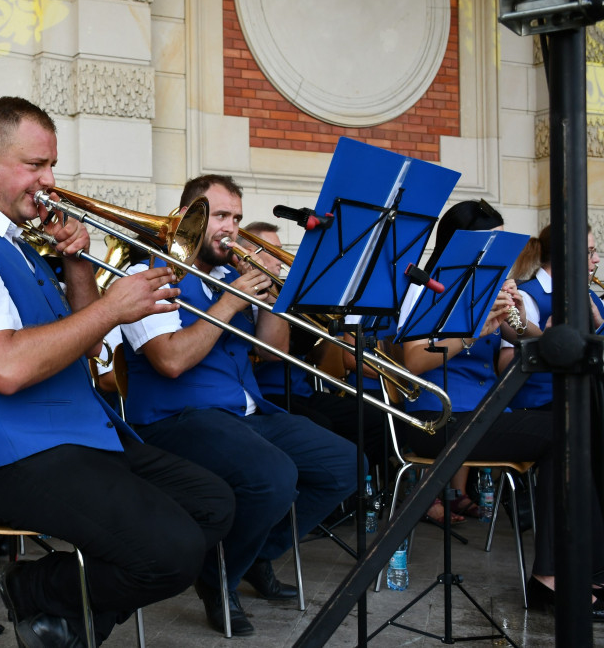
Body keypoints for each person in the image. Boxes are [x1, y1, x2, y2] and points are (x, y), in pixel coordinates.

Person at [0, 96, 235, 647]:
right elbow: (3, 367)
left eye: (51, 166)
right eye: (35, 165)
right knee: (171, 552)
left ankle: (65, 618)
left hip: (72, 439)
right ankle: (34, 589)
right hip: (0, 461)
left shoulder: (20, 246)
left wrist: (78, 267)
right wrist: (111, 306)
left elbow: (79, 347)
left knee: (214, 503)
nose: (50, 180)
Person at [119, 174, 359, 636]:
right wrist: (229, 304)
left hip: (247, 414)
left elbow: (270, 350)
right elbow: (170, 360)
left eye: (237, 217)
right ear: (191, 216)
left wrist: (271, 294)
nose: (232, 228)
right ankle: (216, 578)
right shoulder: (146, 275)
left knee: (346, 465)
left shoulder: (233, 276)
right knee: (273, 477)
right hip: (177, 420)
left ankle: (250, 557)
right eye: (221, 216)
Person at [397, 199, 604, 618]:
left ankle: (580, 572)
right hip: (433, 417)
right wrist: (472, 331)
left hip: (487, 414)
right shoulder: (425, 285)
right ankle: (555, 578)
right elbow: (414, 361)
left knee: (579, 427)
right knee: (564, 432)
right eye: (495, 242)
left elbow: (529, 341)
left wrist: (525, 317)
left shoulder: (487, 284)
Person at [243, 220, 389, 473]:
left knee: (376, 421)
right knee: (321, 426)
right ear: (248, 253)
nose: (280, 260)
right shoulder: (242, 295)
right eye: (271, 251)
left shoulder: (290, 292)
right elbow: (269, 351)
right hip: (266, 392)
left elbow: (314, 352)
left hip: (301, 389)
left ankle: (352, 493)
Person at [498, 223, 604, 409]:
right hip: (542, 404)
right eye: (589, 252)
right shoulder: (527, 296)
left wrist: (599, 323)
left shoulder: (593, 297)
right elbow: (505, 364)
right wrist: (545, 343)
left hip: (588, 399)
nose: (596, 259)